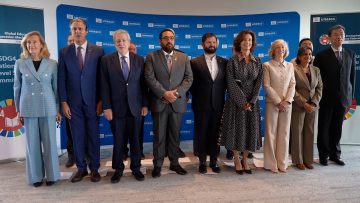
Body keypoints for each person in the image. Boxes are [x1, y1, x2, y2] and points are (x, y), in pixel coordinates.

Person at [58, 18, 104, 183]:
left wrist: (101, 101)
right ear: (71, 31)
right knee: (77, 137)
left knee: (93, 136)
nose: (77, 31)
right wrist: (63, 102)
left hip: (93, 102)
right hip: (73, 104)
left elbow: (101, 79)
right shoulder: (64, 52)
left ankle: (95, 169)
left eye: (80, 28)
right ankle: (81, 168)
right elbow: (61, 79)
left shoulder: (98, 51)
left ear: (86, 31)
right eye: (74, 29)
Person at [13, 31, 61, 187]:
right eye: (28, 42)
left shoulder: (52, 63)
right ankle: (36, 177)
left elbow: (56, 88)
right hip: (28, 107)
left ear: (41, 44)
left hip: (48, 106)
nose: (31, 45)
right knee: (32, 145)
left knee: (50, 144)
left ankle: (52, 175)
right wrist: (18, 110)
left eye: (34, 42)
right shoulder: (20, 63)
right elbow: (17, 88)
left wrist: (58, 108)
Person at [144, 28, 193, 178]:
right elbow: (149, 78)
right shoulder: (152, 57)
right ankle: (157, 165)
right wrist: (164, 93)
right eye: (166, 38)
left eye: (171, 38)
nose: (169, 40)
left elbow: (188, 78)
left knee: (174, 135)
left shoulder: (183, 57)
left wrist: (176, 94)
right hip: (160, 102)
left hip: (177, 102)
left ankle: (175, 163)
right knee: (159, 135)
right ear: (160, 41)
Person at [101, 29, 148, 183]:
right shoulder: (106, 60)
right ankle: (118, 169)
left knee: (135, 140)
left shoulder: (139, 60)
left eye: (123, 40)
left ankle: (136, 168)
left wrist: (144, 104)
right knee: (119, 141)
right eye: (118, 41)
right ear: (114, 43)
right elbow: (104, 85)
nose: (121, 43)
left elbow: (143, 85)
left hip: (135, 108)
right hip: (116, 109)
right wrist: (106, 107)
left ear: (129, 42)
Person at [219, 30, 263, 175]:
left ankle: (245, 159)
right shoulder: (232, 61)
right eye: (244, 40)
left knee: (249, 131)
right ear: (239, 43)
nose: (247, 43)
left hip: (252, 104)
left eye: (250, 40)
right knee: (236, 132)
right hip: (236, 103)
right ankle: (237, 159)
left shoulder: (258, 61)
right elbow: (230, 83)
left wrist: (252, 101)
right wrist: (243, 102)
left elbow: (258, 83)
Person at [313, 24, 356, 166]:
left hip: (343, 97)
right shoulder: (321, 56)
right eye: (336, 34)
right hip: (326, 98)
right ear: (329, 37)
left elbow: (352, 77)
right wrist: (316, 98)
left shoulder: (350, 54)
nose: (340, 37)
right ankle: (323, 155)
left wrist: (350, 96)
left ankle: (335, 154)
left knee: (337, 128)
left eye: (342, 34)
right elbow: (317, 80)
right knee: (324, 127)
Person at [190, 33, 227, 174]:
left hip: (218, 105)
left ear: (217, 44)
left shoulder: (224, 62)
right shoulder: (194, 62)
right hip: (201, 105)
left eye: (214, 42)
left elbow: (225, 84)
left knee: (215, 133)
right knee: (201, 133)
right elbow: (191, 84)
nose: (212, 45)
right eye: (209, 42)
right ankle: (201, 161)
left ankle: (213, 160)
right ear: (202, 44)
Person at [263, 39, 295, 173]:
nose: (281, 49)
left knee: (284, 134)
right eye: (278, 47)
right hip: (272, 104)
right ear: (273, 50)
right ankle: (271, 164)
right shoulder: (267, 65)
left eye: (283, 47)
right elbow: (266, 85)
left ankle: (282, 163)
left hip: (287, 105)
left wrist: (287, 101)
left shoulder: (290, 66)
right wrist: (278, 101)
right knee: (271, 134)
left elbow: (292, 84)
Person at [291, 47, 323, 170]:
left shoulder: (316, 70)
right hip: (299, 106)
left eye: (310, 54)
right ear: (299, 56)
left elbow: (319, 88)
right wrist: (304, 103)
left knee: (310, 132)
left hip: (313, 107)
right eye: (305, 54)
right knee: (297, 133)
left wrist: (314, 103)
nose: (308, 56)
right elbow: (292, 89)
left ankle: (308, 160)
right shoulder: (294, 70)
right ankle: (298, 160)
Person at [64, 33, 75, 168]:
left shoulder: (88, 56)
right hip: (68, 102)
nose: (71, 42)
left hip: (85, 101)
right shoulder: (63, 57)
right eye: (69, 41)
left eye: (73, 40)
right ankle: (71, 156)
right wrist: (63, 101)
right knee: (70, 131)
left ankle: (85, 155)